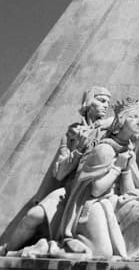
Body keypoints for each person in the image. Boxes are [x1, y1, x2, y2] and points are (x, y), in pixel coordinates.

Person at [2, 86, 114, 256]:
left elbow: (122, 122)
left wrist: (96, 128)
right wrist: (78, 150)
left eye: (108, 102)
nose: (106, 105)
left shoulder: (107, 131)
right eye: (101, 100)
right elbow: (60, 173)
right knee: (32, 217)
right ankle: (7, 251)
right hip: (68, 190)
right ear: (89, 102)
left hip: (89, 192)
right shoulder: (71, 135)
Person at [58, 97, 139, 260]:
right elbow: (96, 190)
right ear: (121, 121)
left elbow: (129, 188)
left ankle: (133, 256)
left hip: (115, 201)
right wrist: (117, 167)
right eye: (133, 117)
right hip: (94, 205)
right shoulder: (104, 149)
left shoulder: (128, 149)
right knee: (103, 253)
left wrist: (127, 173)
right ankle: (56, 248)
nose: (138, 121)